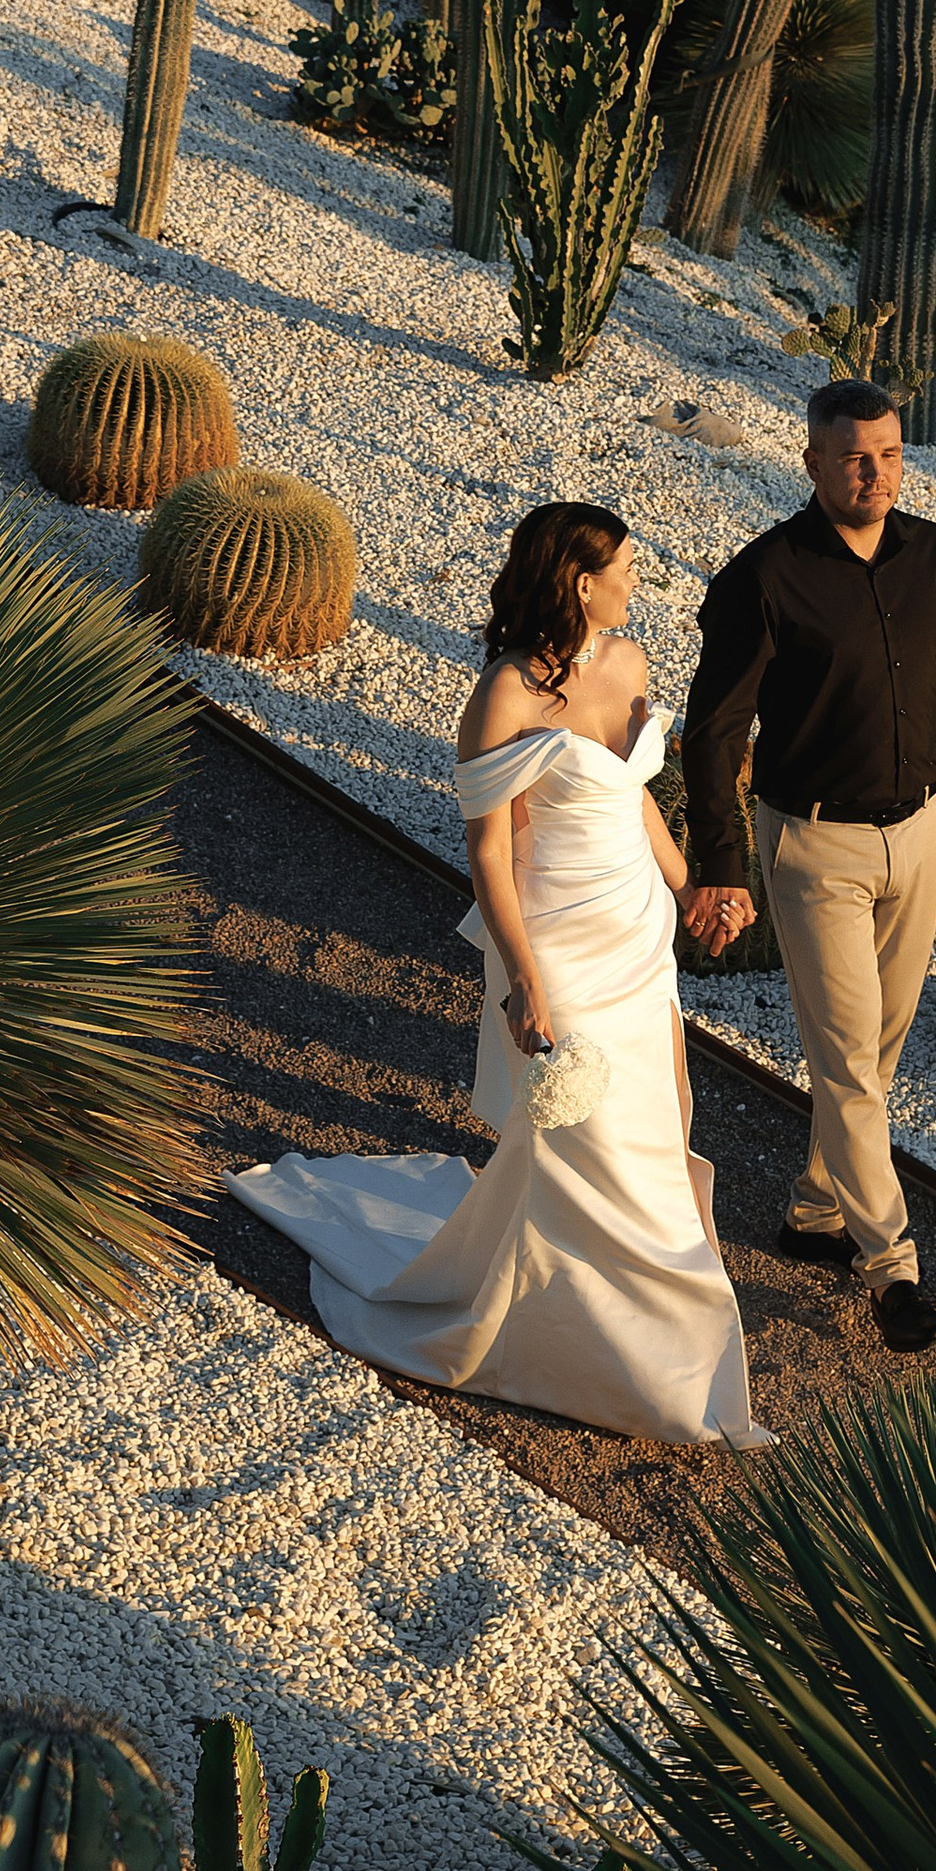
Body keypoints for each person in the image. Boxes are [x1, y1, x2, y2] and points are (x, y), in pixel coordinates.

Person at [226, 502, 764, 1447]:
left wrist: (691, 887)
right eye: (626, 568)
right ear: (579, 583)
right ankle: (634, 1350)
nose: (640, 582)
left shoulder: (630, 664)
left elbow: (634, 796)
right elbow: (488, 852)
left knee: (657, 1117)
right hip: (558, 939)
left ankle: (636, 1324)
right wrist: (525, 980)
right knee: (592, 1139)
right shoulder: (504, 699)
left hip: (636, 930)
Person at [680, 377, 936, 1356]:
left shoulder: (935, 558)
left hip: (919, 835)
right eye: (851, 456)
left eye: (885, 453)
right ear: (811, 463)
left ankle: (811, 1213)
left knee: (875, 1049)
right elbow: (711, 733)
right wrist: (720, 865)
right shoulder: (763, 579)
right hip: (813, 847)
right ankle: (893, 1272)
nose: (872, 472)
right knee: (846, 1062)